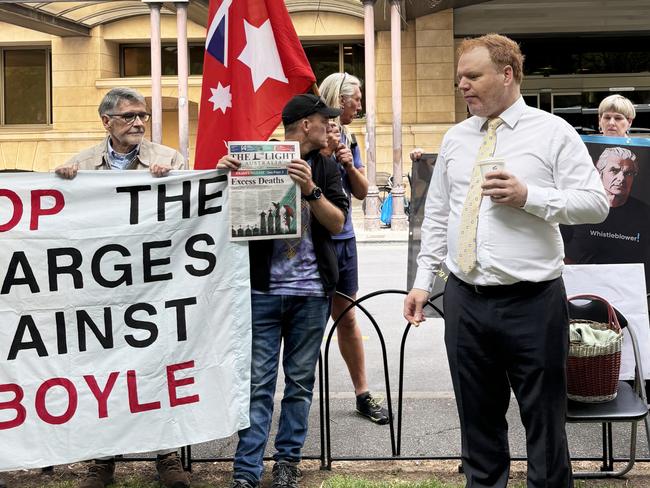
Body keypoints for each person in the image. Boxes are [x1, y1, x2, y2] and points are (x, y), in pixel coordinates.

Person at [403, 34, 608, 488]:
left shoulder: (553, 132)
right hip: (465, 301)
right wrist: (423, 282)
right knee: (477, 425)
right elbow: (438, 213)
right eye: (460, 78)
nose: (463, 86)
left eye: (472, 76)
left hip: (533, 302)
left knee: (545, 424)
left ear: (507, 74)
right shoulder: (456, 138)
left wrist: (529, 196)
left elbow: (595, 204)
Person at [55, 87, 188, 488]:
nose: (138, 123)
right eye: (129, 116)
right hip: (104, 290)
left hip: (154, 287)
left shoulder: (169, 160)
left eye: (143, 116)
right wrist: (63, 185)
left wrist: (172, 183)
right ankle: (102, 460)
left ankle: (167, 456)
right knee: (105, 372)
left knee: (159, 368)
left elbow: (190, 215)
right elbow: (64, 229)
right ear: (106, 121)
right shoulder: (79, 165)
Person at [218, 93, 348, 488]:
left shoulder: (324, 166)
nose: (331, 125)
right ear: (305, 124)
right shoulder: (256, 158)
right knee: (258, 384)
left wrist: (311, 190)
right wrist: (221, 176)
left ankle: (288, 462)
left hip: (311, 293)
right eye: (325, 119)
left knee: (299, 383)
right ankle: (247, 470)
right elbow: (225, 218)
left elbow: (338, 222)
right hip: (263, 293)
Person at [319, 73, 388, 424]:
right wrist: (325, 152)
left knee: (347, 318)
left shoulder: (350, 138)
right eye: (355, 100)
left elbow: (361, 191)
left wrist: (347, 162)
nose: (359, 106)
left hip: (345, 241)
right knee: (307, 323)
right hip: (314, 244)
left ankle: (363, 393)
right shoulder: (311, 135)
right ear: (338, 99)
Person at [562, 147, 650, 284]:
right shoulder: (580, 203)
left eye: (628, 173)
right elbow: (557, 247)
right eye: (614, 170)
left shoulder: (645, 214)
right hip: (579, 285)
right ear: (599, 171)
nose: (621, 178)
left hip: (626, 290)